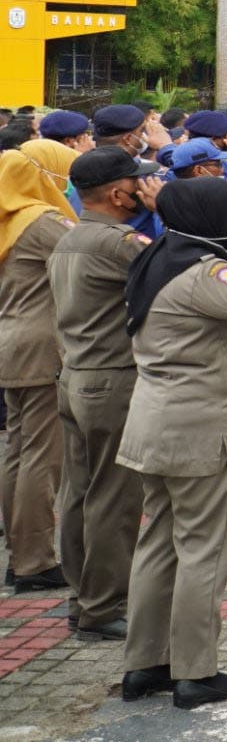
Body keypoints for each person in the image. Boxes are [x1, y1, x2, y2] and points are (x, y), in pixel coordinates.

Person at [116, 182, 227, 709]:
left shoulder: (163, 255)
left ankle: (145, 664)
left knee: (160, 545)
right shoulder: (203, 271)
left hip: (159, 422)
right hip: (204, 432)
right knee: (203, 553)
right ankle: (196, 673)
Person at [52, 147, 157, 639]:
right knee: (114, 499)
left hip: (76, 375)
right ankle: (103, 606)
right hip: (112, 380)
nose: (144, 190)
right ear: (118, 194)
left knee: (79, 493)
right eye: (137, 184)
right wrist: (165, 216)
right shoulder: (120, 242)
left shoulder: (72, 238)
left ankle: (81, 596)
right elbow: (171, 279)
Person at [0, 140, 80, 594]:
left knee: (19, 450)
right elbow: (94, 252)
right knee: (42, 457)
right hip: (42, 346)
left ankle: (20, 552)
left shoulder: (10, 218)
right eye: (62, 174)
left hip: (14, 341)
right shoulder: (42, 222)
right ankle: (33, 561)